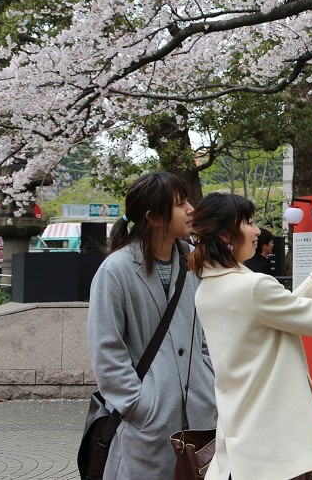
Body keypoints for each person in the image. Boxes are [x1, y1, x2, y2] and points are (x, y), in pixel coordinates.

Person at [190, 192, 312, 480]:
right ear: (224, 235)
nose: (257, 231)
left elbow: (276, 314)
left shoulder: (207, 287)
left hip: (241, 438)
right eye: (248, 222)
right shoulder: (253, 286)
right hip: (275, 444)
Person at [87, 172, 217, 479]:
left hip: (198, 415)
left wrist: (207, 377)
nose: (190, 209)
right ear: (154, 217)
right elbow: (107, 348)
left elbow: (205, 332)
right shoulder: (115, 271)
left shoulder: (192, 262)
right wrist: (139, 405)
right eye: (180, 203)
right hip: (146, 422)